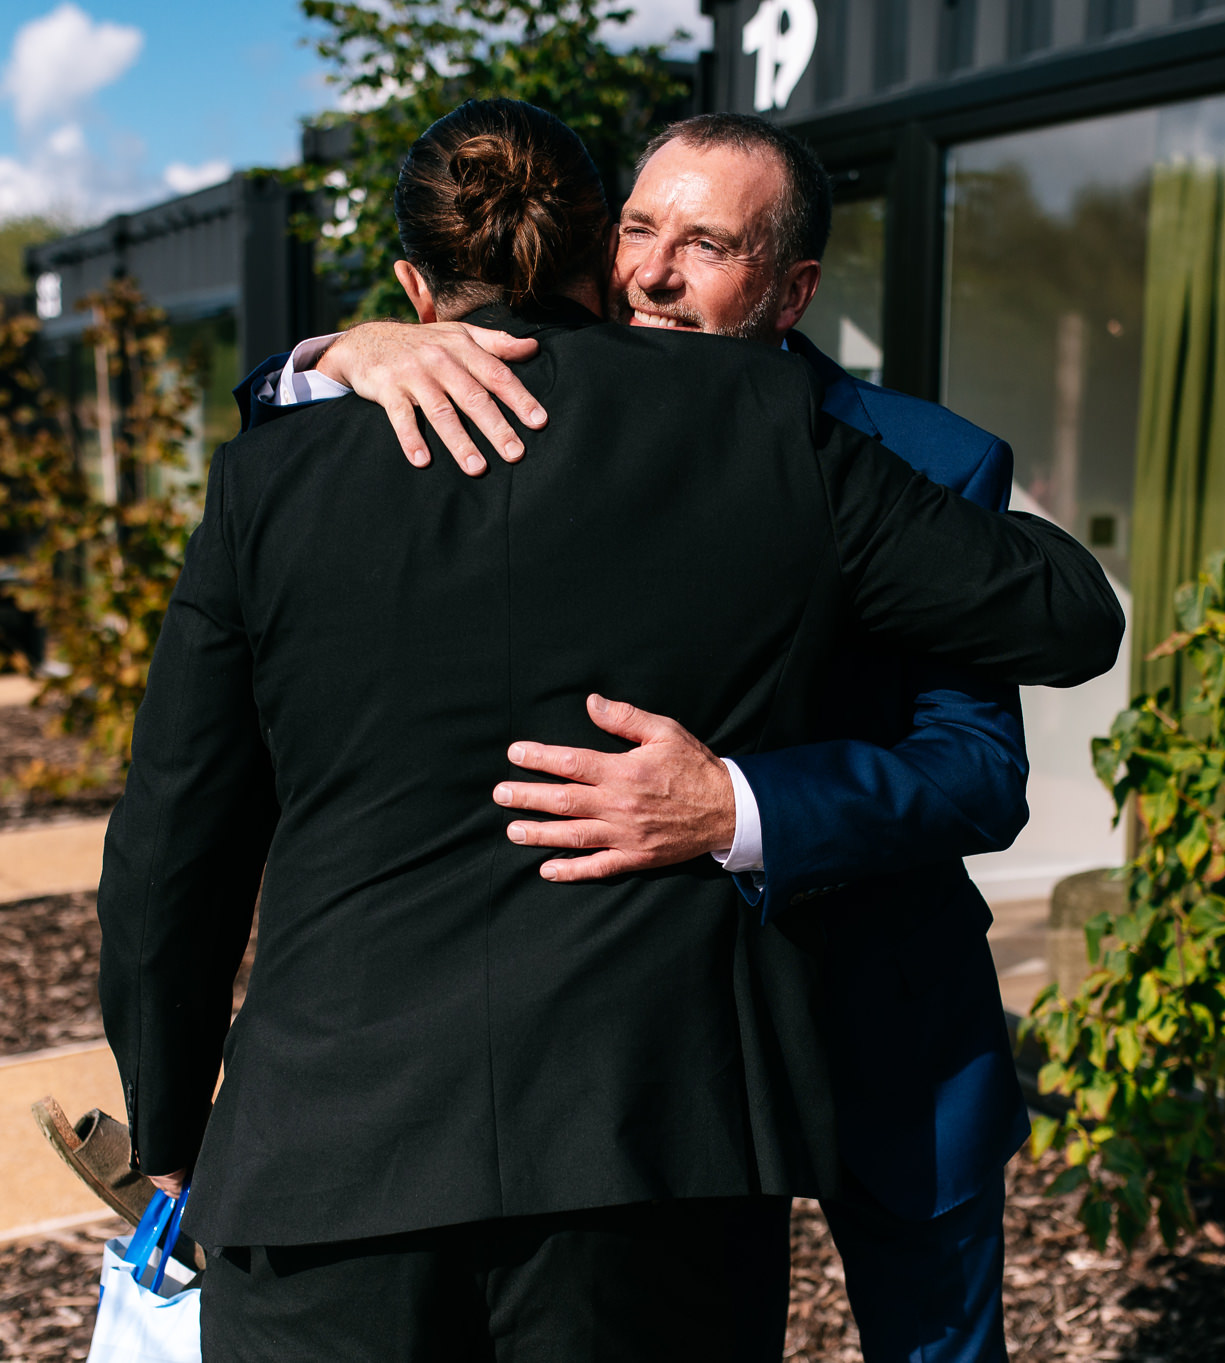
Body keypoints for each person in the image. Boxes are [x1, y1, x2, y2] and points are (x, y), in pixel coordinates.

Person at [105, 98, 1123, 1362]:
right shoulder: (337, 422)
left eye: (705, 244)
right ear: (592, 251)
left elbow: (169, 847)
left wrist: (739, 806)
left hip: (637, 1091)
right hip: (649, 1141)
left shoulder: (861, 452)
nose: (654, 270)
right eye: (640, 228)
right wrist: (335, 359)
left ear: (793, 289)